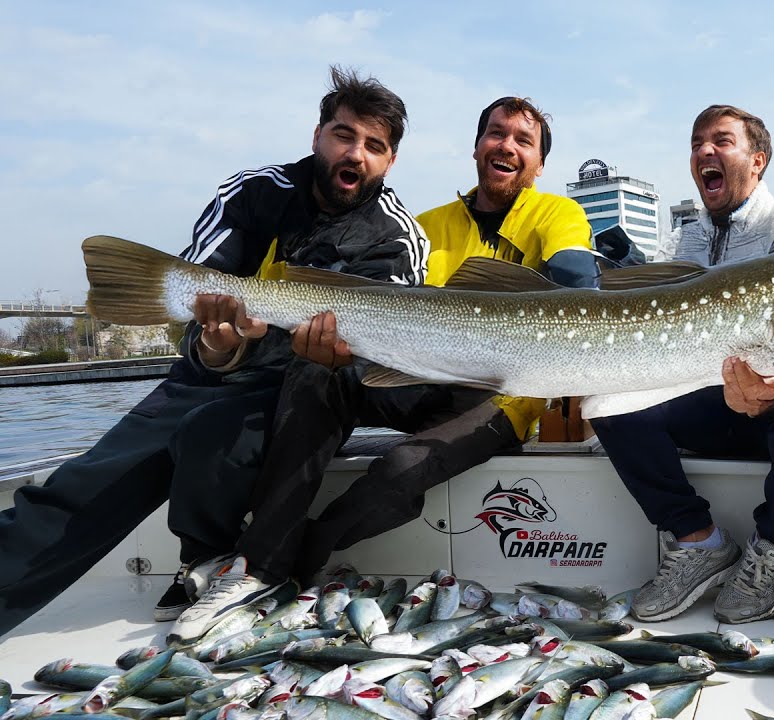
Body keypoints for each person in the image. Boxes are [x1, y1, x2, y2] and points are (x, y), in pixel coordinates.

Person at [0, 66, 429, 639]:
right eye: (344, 135)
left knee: (213, 436)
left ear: (391, 161)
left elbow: (380, 356)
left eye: (374, 146)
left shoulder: (397, 235)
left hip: (300, 387)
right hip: (206, 372)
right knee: (84, 485)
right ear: (317, 135)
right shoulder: (252, 192)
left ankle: (208, 560)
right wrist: (216, 344)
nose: (356, 154)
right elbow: (202, 296)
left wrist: (334, 359)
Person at [169, 96, 598, 642]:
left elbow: (575, 273)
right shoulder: (423, 225)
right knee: (314, 372)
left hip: (501, 398)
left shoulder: (558, 213)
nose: (506, 146)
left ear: (539, 165)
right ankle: (258, 568)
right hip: (418, 374)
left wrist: (579, 289)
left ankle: (293, 557)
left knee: (401, 468)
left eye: (523, 141)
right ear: (476, 148)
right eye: (495, 133)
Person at [590, 105, 774, 625]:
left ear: (758, 160)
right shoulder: (683, 238)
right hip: (711, 398)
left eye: (721, 141)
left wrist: (772, 386)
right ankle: (697, 540)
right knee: (609, 399)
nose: (704, 151)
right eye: (697, 143)